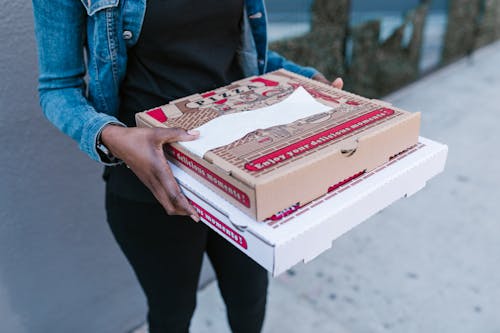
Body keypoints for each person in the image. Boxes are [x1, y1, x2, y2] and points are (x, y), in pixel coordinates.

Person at [32, 1, 343, 332]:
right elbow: (57, 89)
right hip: (152, 186)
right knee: (172, 315)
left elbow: (242, 54)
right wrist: (111, 135)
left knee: (249, 300)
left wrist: (305, 79)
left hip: (242, 175)